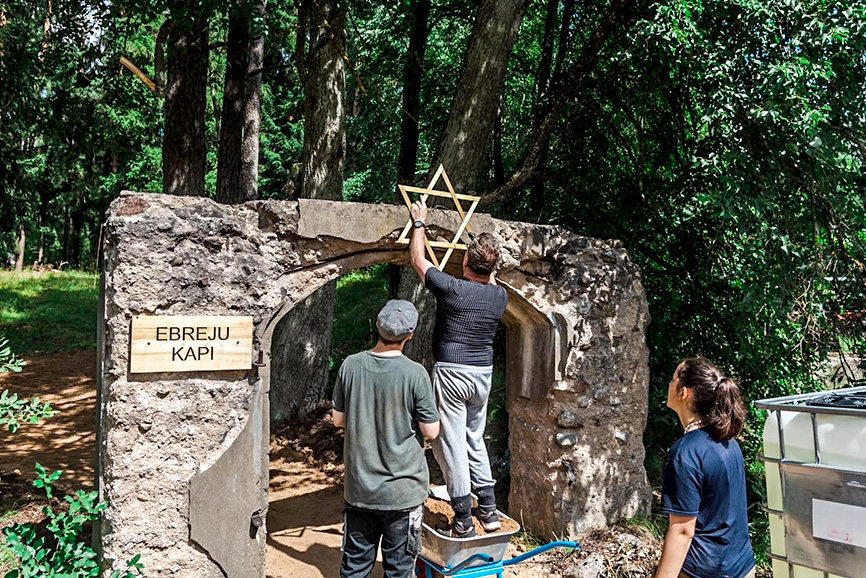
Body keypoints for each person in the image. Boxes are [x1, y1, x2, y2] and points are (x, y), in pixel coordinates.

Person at [408, 198, 508, 538]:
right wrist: (489, 268)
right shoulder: (500, 297)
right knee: (473, 439)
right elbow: (490, 278)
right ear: (493, 271)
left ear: (465, 260)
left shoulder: (452, 289)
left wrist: (419, 223)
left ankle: (464, 517)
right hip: (482, 375)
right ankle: (490, 509)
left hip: (453, 372)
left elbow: (419, 260)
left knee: (450, 443)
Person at [332, 299, 441, 578]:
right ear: (410, 335)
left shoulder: (350, 365)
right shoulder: (415, 373)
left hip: (360, 490)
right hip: (403, 494)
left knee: (354, 568)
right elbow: (431, 431)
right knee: (399, 570)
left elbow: (338, 420)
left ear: (377, 326)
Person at [656, 357, 756, 578]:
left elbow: (682, 531)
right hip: (743, 567)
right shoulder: (729, 442)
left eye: (674, 380)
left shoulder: (685, 453)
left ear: (684, 392)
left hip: (704, 571)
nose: (669, 385)